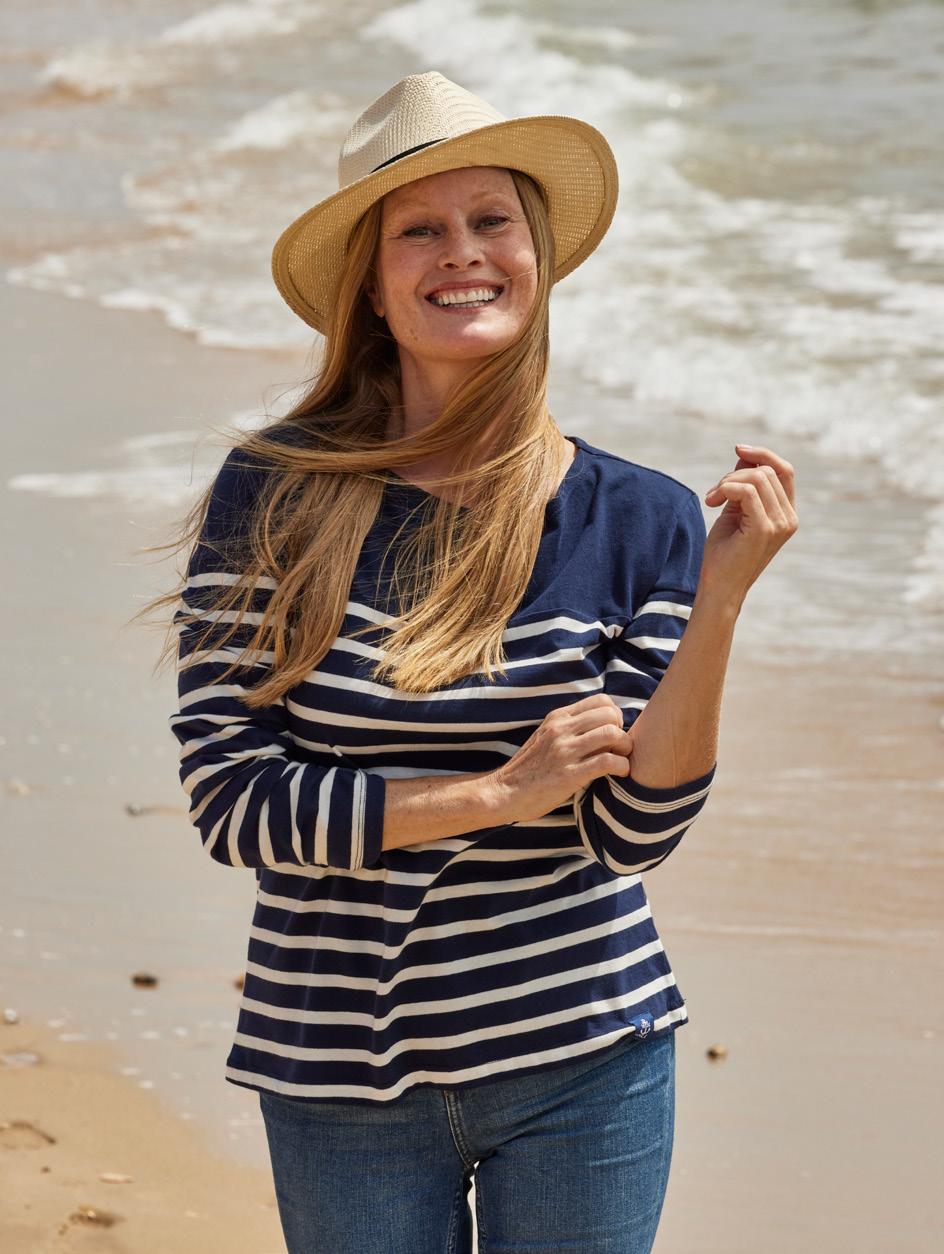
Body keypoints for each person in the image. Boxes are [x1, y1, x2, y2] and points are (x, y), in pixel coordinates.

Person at [162, 71, 798, 1254]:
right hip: (335, 1072)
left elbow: (632, 833)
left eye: (491, 219)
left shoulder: (640, 517)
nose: (462, 251)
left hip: (583, 1058)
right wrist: (498, 794)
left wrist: (718, 601)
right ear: (371, 285)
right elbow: (232, 803)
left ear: (535, 257)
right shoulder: (275, 492)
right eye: (419, 229)